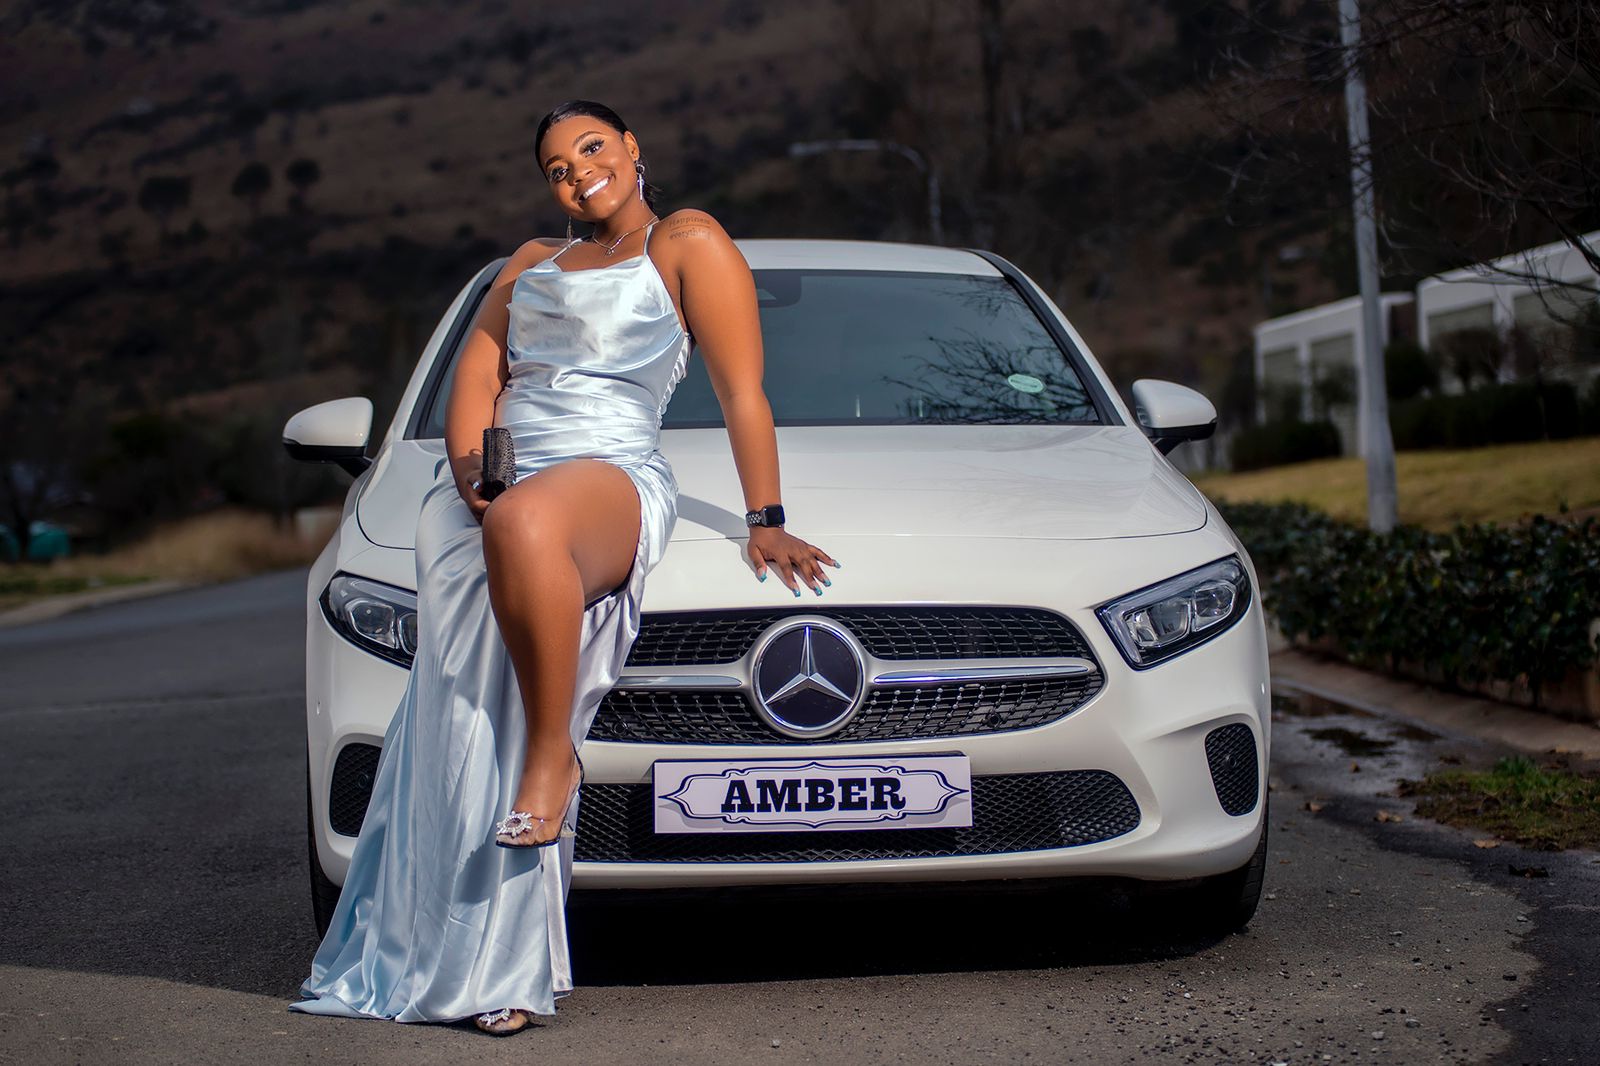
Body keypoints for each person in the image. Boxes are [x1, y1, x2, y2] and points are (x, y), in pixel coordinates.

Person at [289, 100, 837, 1035]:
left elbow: (741, 389)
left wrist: (767, 518)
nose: (578, 171)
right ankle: (477, 972)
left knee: (528, 530)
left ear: (632, 147)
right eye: (556, 166)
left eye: (591, 147)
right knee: (461, 722)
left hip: (606, 471)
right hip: (491, 491)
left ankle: (554, 755)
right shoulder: (529, 262)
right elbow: (478, 377)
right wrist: (472, 476)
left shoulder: (686, 241)